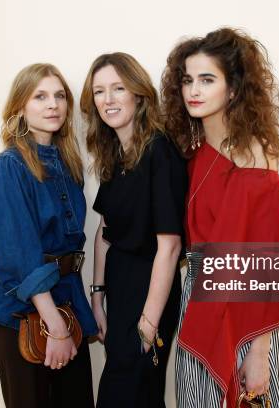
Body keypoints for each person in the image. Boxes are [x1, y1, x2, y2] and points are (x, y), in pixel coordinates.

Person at [160, 28, 279, 408]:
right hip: (197, 299)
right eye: (187, 80)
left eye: (207, 80)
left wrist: (259, 350)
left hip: (246, 312)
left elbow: (270, 260)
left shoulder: (253, 156)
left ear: (233, 89)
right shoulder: (193, 152)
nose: (193, 91)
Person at [0, 63, 97, 408]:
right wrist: (54, 325)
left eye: (60, 96)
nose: (53, 104)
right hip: (27, 318)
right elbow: (15, 251)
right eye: (40, 96)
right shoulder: (10, 166)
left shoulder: (68, 164)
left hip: (67, 306)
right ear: (20, 108)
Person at [80, 52, 187, 408]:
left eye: (117, 88)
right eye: (99, 91)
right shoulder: (116, 152)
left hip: (149, 292)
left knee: (132, 394)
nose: (107, 100)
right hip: (120, 292)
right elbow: (104, 232)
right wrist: (97, 297)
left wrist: (148, 323)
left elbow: (170, 246)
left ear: (138, 94)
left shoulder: (160, 150)